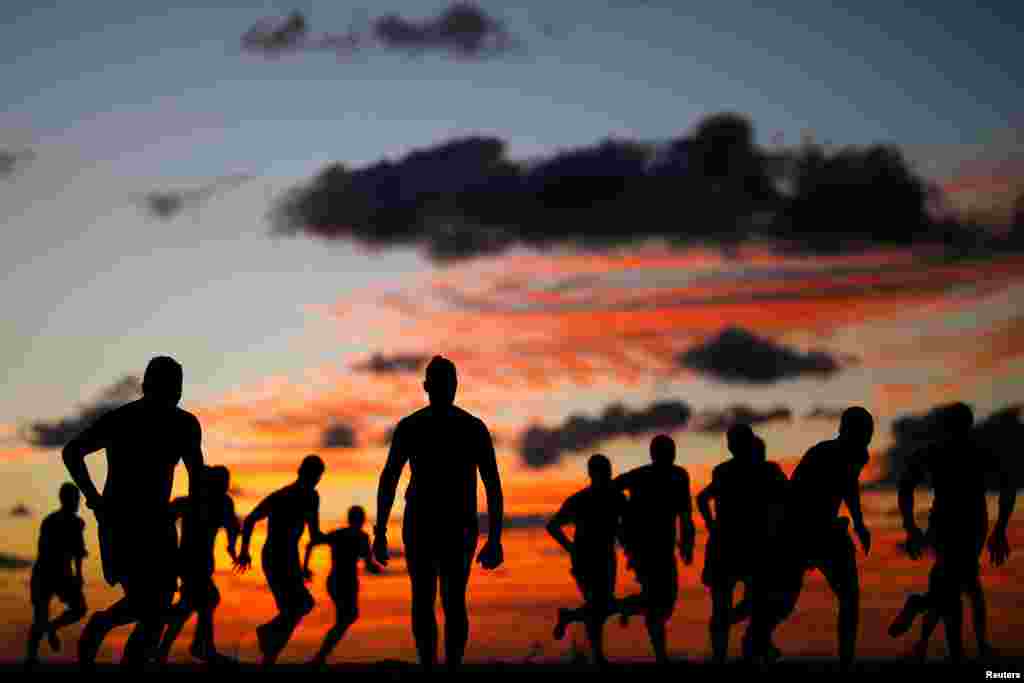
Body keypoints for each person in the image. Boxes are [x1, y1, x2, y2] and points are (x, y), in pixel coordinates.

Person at [63, 356, 204, 669]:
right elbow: (72, 451)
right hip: (120, 523)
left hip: (159, 525)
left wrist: (191, 519)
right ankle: (103, 626)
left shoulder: (185, 425)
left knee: (159, 605)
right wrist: (94, 499)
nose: (173, 393)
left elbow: (198, 478)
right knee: (148, 605)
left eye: (176, 387)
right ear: (146, 387)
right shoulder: (122, 420)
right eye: (167, 386)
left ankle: (111, 634)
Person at [374, 355, 504, 672]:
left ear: (428, 387)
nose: (447, 389)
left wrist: (495, 538)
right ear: (431, 387)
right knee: (442, 599)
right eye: (445, 383)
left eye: (448, 383)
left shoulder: (447, 427)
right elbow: (389, 478)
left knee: (437, 599)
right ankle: (437, 668)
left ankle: (439, 668)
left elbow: (492, 485)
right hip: (433, 522)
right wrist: (379, 532)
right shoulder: (464, 427)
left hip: (444, 523)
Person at [742, 406, 874, 670]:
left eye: (868, 431)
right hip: (798, 529)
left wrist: (859, 524)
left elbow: (849, 487)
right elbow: (797, 496)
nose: (866, 436)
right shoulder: (823, 453)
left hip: (829, 531)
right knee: (786, 599)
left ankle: (846, 661)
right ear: (845, 430)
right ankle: (755, 638)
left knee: (849, 596)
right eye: (861, 430)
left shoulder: (860, 454)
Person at [889, 402, 1016, 663]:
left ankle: (948, 641)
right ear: (968, 424)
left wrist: (911, 527)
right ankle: (957, 645)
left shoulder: (936, 451)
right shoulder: (976, 452)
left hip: (949, 525)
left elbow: (905, 486)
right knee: (961, 586)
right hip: (968, 525)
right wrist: (1000, 528)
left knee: (957, 584)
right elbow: (1008, 485)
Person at [697, 427, 787, 664]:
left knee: (740, 604)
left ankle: (733, 651)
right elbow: (788, 500)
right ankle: (746, 648)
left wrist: (711, 524)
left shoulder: (726, 471)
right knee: (753, 603)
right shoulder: (767, 471)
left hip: (733, 545)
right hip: (747, 545)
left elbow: (702, 499)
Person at [235, 454, 326, 666]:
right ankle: (267, 637)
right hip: (277, 555)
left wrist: (245, 551)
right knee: (299, 606)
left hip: (285, 556)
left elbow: (313, 535)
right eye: (314, 475)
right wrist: (244, 552)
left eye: (317, 476)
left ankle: (269, 655)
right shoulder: (299, 496)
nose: (315, 480)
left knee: (295, 608)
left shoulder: (288, 495)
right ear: (304, 473)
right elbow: (249, 520)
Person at [613, 434, 695, 665]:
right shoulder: (642, 475)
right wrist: (625, 514)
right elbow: (611, 488)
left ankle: (625, 607)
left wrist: (687, 543)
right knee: (659, 603)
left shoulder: (678, 476)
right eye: (666, 451)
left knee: (662, 604)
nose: (670, 455)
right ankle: (661, 656)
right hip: (643, 548)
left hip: (663, 547)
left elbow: (685, 514)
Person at [547, 454, 628, 667]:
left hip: (606, 557)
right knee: (598, 605)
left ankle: (570, 617)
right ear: (593, 473)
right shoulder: (581, 499)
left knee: (601, 606)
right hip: (584, 558)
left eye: (607, 470)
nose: (606, 474)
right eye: (603, 470)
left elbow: (623, 528)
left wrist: (628, 549)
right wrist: (571, 548)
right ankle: (598, 656)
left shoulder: (616, 498)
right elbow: (553, 525)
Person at [156, 465, 240, 666]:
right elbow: (166, 515)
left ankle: (165, 649)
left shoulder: (222, 502)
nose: (225, 486)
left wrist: (231, 548)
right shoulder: (194, 502)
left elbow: (232, 526)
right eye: (222, 482)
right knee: (208, 599)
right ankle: (204, 649)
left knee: (191, 605)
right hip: (187, 561)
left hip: (201, 563)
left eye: (226, 482)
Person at [302, 505, 382, 668]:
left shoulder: (340, 534)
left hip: (338, 581)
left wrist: (305, 567)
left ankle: (321, 656)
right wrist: (377, 568)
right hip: (345, 581)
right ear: (361, 520)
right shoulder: (362, 537)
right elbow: (368, 565)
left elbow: (311, 544)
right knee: (347, 617)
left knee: (346, 618)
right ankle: (320, 657)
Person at [26, 483, 89, 667]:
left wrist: (78, 576)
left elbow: (78, 553)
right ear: (67, 500)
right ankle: (32, 657)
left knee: (79, 609)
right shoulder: (52, 521)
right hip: (46, 573)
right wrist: (75, 576)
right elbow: (47, 550)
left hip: (58, 573)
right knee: (40, 618)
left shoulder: (76, 523)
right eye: (76, 499)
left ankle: (51, 627)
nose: (78, 502)